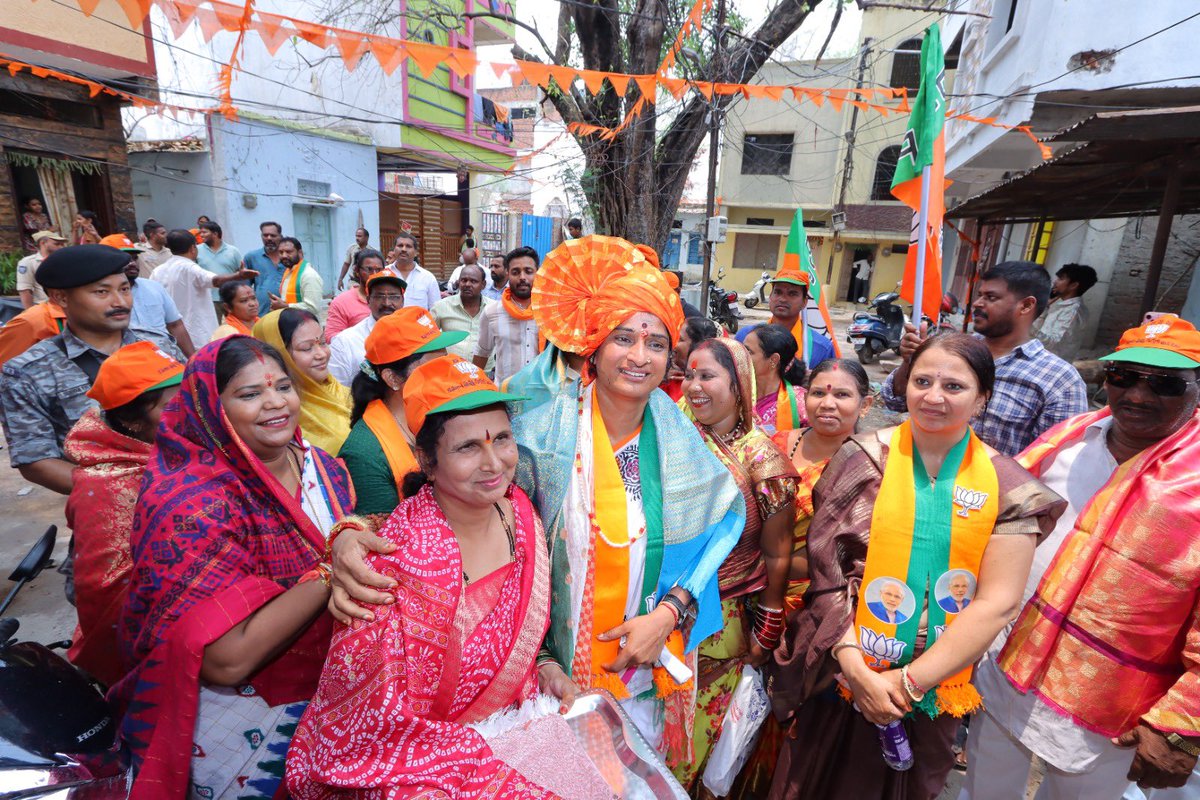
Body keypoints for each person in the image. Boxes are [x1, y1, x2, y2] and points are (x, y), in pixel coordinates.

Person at [327, 236, 747, 766]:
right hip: (550, 678)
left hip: (651, 672)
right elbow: (452, 508)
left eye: (657, 344)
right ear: (593, 346)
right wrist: (346, 535)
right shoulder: (537, 438)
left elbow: (725, 519)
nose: (640, 356)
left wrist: (671, 611)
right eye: (623, 338)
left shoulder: (682, 443)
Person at [768, 332, 1064, 800]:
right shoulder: (860, 459)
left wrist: (907, 682)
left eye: (954, 386)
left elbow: (999, 602)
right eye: (922, 380)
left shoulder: (1009, 487)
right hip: (842, 666)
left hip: (933, 682)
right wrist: (857, 671)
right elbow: (826, 576)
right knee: (812, 780)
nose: (933, 396)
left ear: (982, 398)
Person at [286, 354, 564, 798]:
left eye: (503, 439)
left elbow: (519, 641)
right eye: (467, 447)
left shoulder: (523, 516)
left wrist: (545, 665)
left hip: (516, 717)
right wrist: (473, 760)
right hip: (414, 759)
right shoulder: (397, 561)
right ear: (427, 461)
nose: (494, 463)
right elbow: (369, 726)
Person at [961, 314, 1200, 800]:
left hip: (1111, 703)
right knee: (985, 787)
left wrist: (1182, 721)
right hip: (1009, 662)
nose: (1137, 395)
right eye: (1123, 377)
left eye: (1164, 384)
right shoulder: (1069, 437)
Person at [114, 337, 354, 800]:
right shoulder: (189, 504)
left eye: (284, 387)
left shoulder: (324, 469)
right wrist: (331, 572)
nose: (275, 403)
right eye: (249, 394)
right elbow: (225, 660)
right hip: (239, 718)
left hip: (329, 692)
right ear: (209, 408)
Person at [673, 337, 798, 788]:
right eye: (689, 375)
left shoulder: (761, 457)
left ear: (740, 385)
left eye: (707, 376)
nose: (694, 386)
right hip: (660, 608)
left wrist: (768, 625)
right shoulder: (672, 441)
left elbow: (777, 551)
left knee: (694, 743)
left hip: (722, 621)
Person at [0, 245, 182, 494]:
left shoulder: (158, 344)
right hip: (110, 509)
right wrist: (122, 490)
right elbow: (35, 460)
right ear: (61, 298)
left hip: (190, 488)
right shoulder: (27, 371)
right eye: (101, 292)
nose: (120, 302)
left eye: (124, 289)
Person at [63, 341, 183, 686]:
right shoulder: (108, 487)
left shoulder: (177, 452)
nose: (192, 413)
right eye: (174, 406)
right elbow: (110, 597)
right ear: (132, 421)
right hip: (152, 654)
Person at [882, 261, 1089, 456]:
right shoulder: (949, 351)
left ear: (1026, 306)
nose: (977, 304)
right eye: (979, 295)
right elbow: (894, 401)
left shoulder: (1059, 380)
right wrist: (910, 362)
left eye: (991, 298)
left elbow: (1056, 459)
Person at [338, 309, 467, 523]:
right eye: (433, 368)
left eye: (446, 362)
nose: (448, 375)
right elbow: (385, 542)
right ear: (392, 379)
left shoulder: (444, 415)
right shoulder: (365, 453)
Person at [254, 308, 351, 456]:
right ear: (280, 355)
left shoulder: (343, 392)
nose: (321, 354)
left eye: (323, 343)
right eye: (307, 348)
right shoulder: (276, 415)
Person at [151, 229, 258, 346]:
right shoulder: (190, 268)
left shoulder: (157, 271)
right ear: (193, 248)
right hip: (197, 337)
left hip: (172, 337)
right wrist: (238, 275)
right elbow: (215, 280)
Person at [109, 236, 196, 358]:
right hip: (129, 361)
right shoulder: (105, 298)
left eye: (135, 258)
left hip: (166, 358)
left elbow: (175, 325)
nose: (132, 263)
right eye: (126, 260)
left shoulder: (154, 287)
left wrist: (193, 360)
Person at [736, 267, 836, 368]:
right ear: (770, 296)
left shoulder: (821, 348)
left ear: (804, 302)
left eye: (792, 294)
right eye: (778, 292)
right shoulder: (745, 336)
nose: (783, 299)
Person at [473, 245, 540, 385]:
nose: (522, 277)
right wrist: (473, 387)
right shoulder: (492, 312)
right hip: (505, 397)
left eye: (528, 271)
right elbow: (481, 353)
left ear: (538, 273)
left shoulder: (551, 313)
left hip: (543, 398)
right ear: (508, 274)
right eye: (516, 272)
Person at [328, 272, 407, 386]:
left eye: (393, 297)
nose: (386, 303)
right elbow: (336, 391)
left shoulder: (417, 335)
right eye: (379, 297)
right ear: (368, 300)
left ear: (402, 301)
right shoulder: (345, 342)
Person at [745, 323, 808, 434]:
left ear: (773, 360)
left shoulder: (800, 402)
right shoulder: (735, 392)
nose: (740, 355)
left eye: (749, 351)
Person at [1032, 262, 1098, 362]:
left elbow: (1054, 343)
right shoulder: (1061, 304)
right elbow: (1042, 331)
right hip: (1039, 358)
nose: (1055, 282)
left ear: (1073, 285)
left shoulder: (1073, 311)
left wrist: (1026, 327)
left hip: (1050, 364)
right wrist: (1045, 307)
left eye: (1061, 279)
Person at [432, 262, 489, 360]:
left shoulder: (492, 308)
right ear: (458, 282)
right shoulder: (441, 307)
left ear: (483, 285)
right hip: (451, 370)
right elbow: (428, 337)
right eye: (464, 280)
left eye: (473, 281)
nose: (467, 284)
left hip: (485, 371)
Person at [326, 248, 385, 339]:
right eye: (369, 269)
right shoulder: (341, 302)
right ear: (357, 271)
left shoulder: (391, 299)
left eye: (379, 270)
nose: (374, 274)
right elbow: (332, 338)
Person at [663, 316, 718, 401]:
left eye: (679, 339)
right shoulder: (667, 374)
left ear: (698, 345)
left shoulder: (703, 387)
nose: (673, 343)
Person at [269, 236, 323, 316]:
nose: (284, 255)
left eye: (288, 252)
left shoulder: (309, 275)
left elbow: (313, 308)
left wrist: (285, 306)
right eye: (281, 252)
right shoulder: (288, 272)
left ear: (300, 253)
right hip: (291, 322)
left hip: (307, 325)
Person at [196, 221, 244, 306]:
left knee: (232, 320)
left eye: (204, 232)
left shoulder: (233, 251)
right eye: (201, 233)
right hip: (207, 299)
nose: (201, 235)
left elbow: (241, 273)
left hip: (230, 298)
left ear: (215, 234)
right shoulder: (197, 250)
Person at [390, 232, 441, 309]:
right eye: (400, 245)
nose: (403, 249)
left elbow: (435, 310)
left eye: (408, 246)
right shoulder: (384, 273)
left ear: (416, 252)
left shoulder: (427, 277)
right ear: (394, 250)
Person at [16, 229, 66, 308]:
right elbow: (24, 290)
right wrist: (30, 313)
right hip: (43, 306)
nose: (61, 247)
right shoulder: (28, 262)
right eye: (57, 244)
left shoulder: (63, 260)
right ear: (43, 243)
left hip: (64, 305)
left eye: (62, 244)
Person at [245, 221, 286, 312]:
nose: (269, 238)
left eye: (273, 235)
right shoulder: (252, 257)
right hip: (262, 313)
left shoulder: (289, 258)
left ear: (280, 236)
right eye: (265, 235)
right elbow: (245, 288)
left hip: (288, 312)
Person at [336, 227, 370, 291]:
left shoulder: (372, 251)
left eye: (359, 236)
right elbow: (346, 264)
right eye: (356, 236)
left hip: (367, 283)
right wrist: (340, 279)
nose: (357, 238)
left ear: (366, 238)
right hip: (353, 282)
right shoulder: (352, 248)